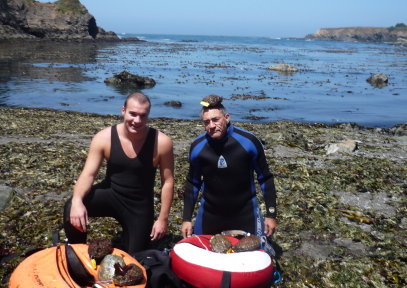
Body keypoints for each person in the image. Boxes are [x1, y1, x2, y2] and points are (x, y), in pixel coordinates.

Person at [63, 92, 174, 253]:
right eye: (133, 114)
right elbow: (88, 174)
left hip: (139, 206)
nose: (137, 121)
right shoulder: (104, 138)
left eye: (143, 116)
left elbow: (168, 182)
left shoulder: (162, 143)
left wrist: (162, 219)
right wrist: (78, 201)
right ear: (123, 111)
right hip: (111, 193)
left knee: (136, 258)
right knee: (70, 206)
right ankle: (77, 251)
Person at [181, 95, 277, 239]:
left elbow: (265, 178)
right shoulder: (198, 146)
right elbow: (193, 183)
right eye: (206, 122)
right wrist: (186, 219)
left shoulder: (249, 142)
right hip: (210, 214)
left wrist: (271, 214)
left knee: (253, 255)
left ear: (227, 117)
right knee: (204, 255)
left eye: (216, 120)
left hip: (245, 213)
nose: (212, 125)